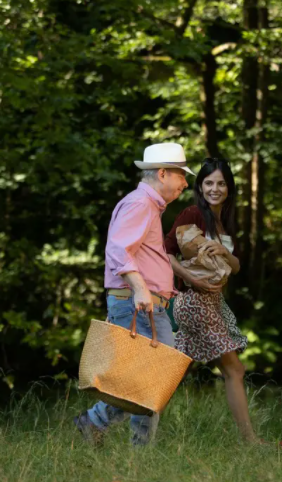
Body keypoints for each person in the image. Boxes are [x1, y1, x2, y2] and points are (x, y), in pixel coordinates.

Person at [74, 142, 193, 446]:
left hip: (144, 304)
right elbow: (118, 249)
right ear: (163, 173)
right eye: (181, 175)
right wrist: (141, 288)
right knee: (153, 380)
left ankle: (128, 443)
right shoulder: (140, 204)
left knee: (149, 381)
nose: (185, 183)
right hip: (137, 304)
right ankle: (100, 425)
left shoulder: (147, 206)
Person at [164, 157, 260, 444]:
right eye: (208, 183)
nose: (214, 188)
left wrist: (223, 252)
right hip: (193, 301)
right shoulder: (192, 213)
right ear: (200, 186)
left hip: (213, 302)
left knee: (171, 374)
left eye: (220, 183)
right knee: (234, 369)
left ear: (229, 187)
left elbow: (236, 265)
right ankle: (250, 441)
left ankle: (106, 421)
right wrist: (190, 279)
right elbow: (166, 253)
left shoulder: (224, 220)